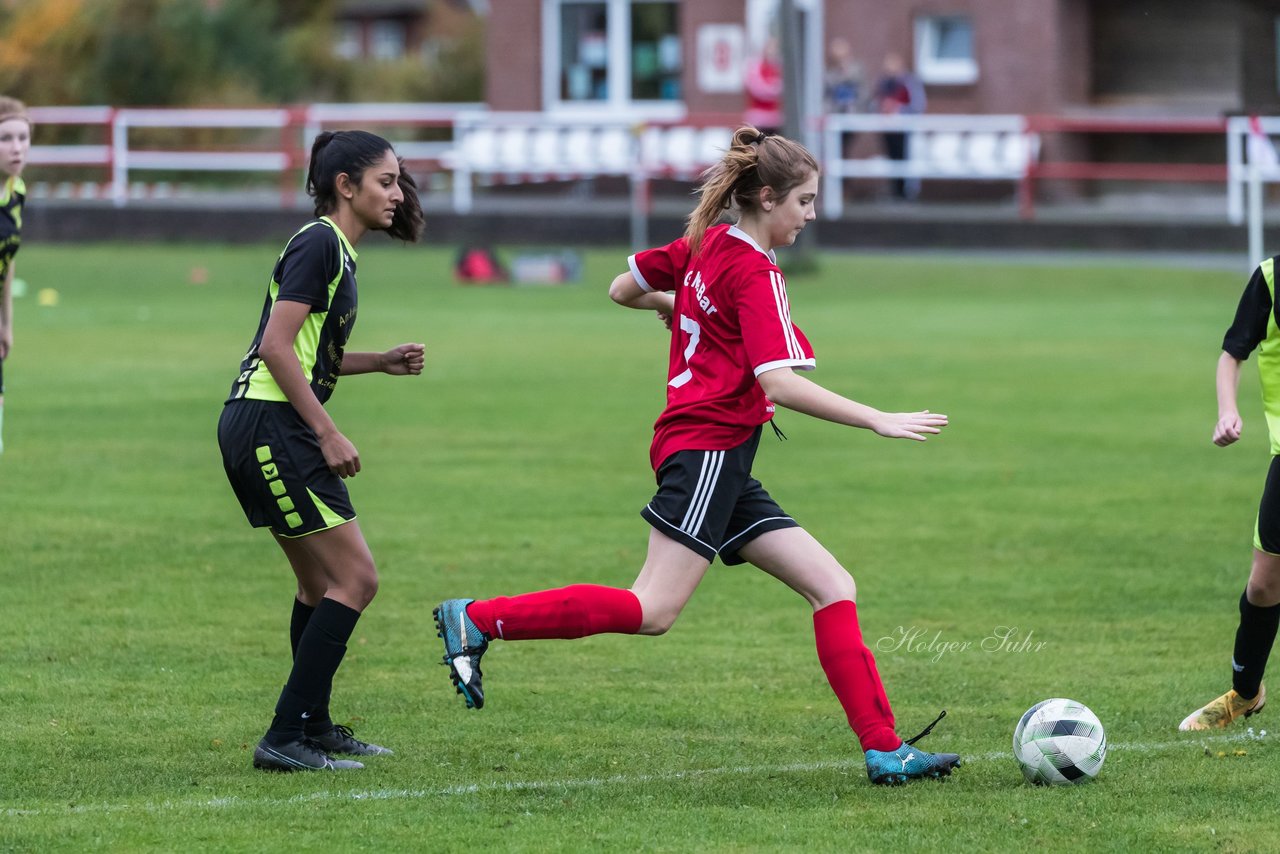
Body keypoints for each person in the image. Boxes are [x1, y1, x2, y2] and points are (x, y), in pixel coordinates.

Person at [433, 126, 960, 786]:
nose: (812, 215)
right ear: (767, 198)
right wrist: (876, 418)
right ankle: (480, 618)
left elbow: (621, 291)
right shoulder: (756, 270)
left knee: (832, 586)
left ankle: (883, 748)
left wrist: (681, 306)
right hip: (707, 448)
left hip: (716, 451)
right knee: (652, 609)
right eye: (806, 201)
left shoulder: (702, 243)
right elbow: (779, 384)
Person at [217, 130, 425, 772]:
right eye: (385, 182)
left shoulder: (335, 251)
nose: (396, 194)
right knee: (356, 579)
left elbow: (307, 352)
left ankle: (313, 725)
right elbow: (276, 348)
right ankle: (284, 736)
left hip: (263, 423)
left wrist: (377, 362)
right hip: (273, 426)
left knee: (318, 584)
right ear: (346, 186)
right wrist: (326, 432)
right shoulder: (318, 244)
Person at [1179, 256, 1280, 731]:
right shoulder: (1271, 277)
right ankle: (1245, 693)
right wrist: (1227, 411)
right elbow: (1232, 353)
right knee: (1263, 585)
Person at [0, 96, 32, 456]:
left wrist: (6, 322)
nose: (17, 148)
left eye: (23, 138)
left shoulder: (16, 192)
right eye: (6, 138)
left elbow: (6, 262)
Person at [872, 53, 926, 200]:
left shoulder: (909, 82)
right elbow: (874, 101)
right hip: (888, 129)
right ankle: (895, 192)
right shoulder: (884, 83)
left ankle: (907, 193)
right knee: (892, 158)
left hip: (905, 130)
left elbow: (918, 105)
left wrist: (898, 109)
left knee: (906, 158)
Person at [744, 37, 784, 135]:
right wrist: (774, 90)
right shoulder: (756, 67)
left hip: (775, 119)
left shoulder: (778, 68)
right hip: (758, 119)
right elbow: (757, 90)